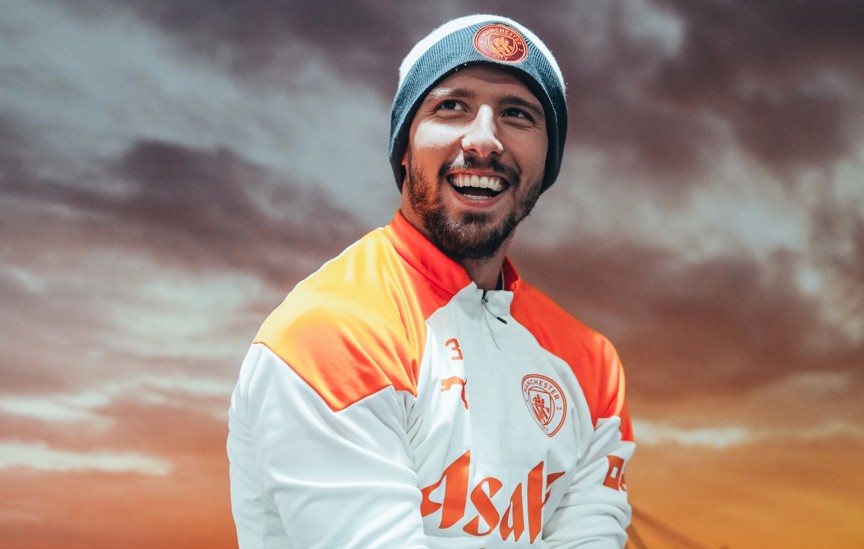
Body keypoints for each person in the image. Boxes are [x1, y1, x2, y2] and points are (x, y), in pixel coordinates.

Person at [228, 14, 634, 548]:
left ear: (547, 163)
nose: (484, 140)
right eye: (451, 106)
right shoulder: (333, 333)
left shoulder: (592, 367)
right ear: (404, 146)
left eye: (517, 114)